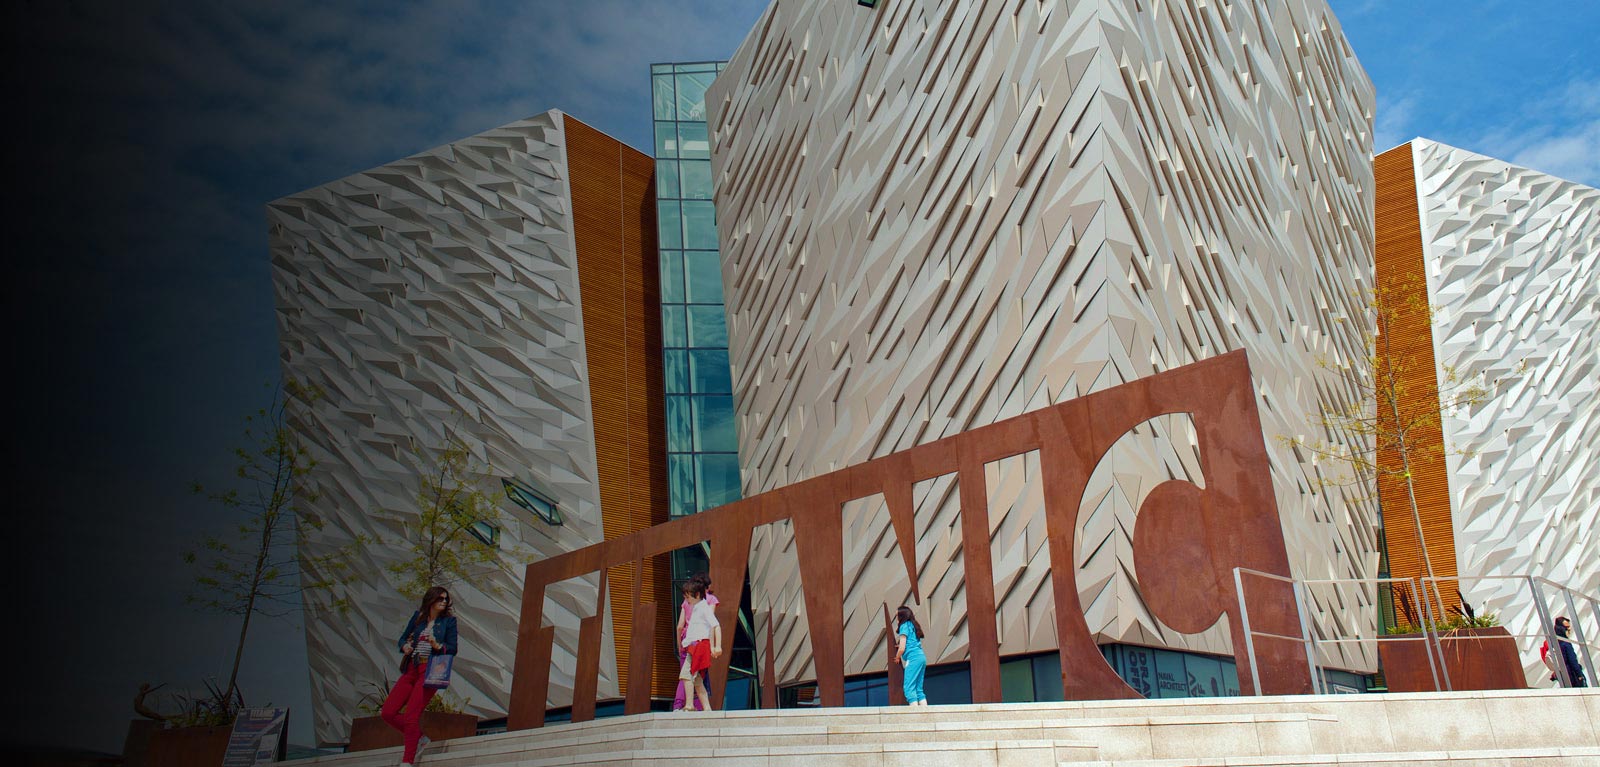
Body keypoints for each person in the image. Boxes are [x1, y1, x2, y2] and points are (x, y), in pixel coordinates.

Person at [382, 587, 458, 766]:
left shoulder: (449, 622)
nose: (444, 602)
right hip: (411, 669)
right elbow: (402, 639)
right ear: (431, 599)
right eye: (440, 598)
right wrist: (405, 647)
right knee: (388, 713)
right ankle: (419, 737)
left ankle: (407, 761)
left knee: (411, 716)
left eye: (446, 599)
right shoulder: (419, 618)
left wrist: (437, 645)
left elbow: (453, 648)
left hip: (430, 670)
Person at [674, 574, 720, 711]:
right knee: (697, 679)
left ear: (698, 594)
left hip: (699, 645)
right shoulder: (697, 606)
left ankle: (689, 705)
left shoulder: (703, 606)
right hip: (693, 645)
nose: (685, 599)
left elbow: (714, 625)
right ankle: (706, 708)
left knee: (687, 675)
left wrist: (716, 646)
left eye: (688, 596)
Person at [892, 606, 927, 706]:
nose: (896, 619)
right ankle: (926, 715)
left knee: (909, 688)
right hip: (921, 657)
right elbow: (910, 642)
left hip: (913, 658)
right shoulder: (913, 625)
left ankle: (915, 715)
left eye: (897, 616)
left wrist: (897, 657)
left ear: (901, 616)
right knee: (918, 689)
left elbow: (902, 648)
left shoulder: (904, 626)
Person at [1552, 616, 1589, 687]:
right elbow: (1572, 661)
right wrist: (1580, 674)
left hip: (1564, 675)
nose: (1569, 629)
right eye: (1566, 627)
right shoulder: (1566, 644)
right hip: (1572, 675)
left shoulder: (1555, 643)